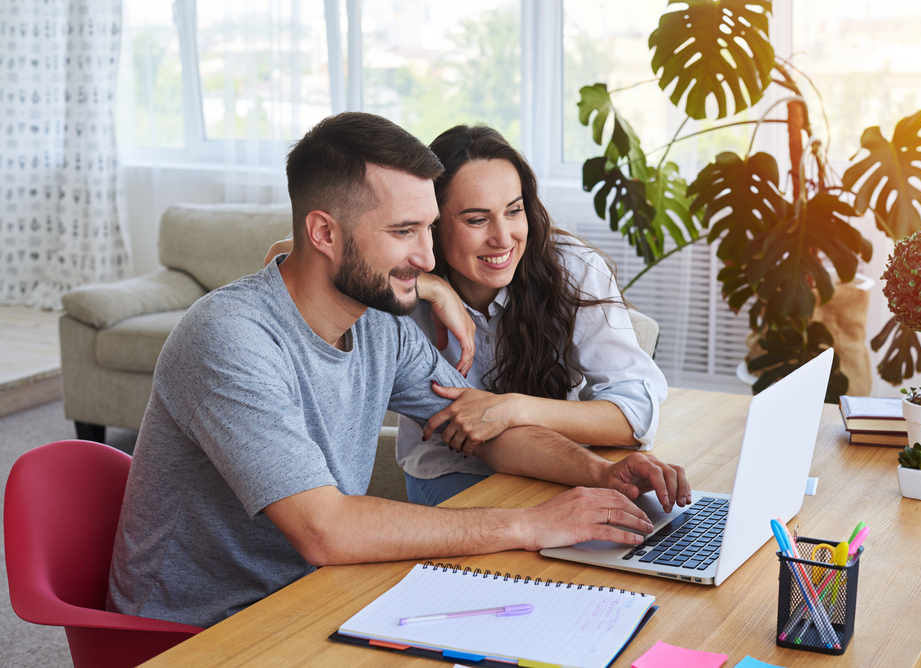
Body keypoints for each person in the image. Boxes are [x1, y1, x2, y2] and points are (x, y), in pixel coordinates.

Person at [107, 112, 690, 629]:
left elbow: (483, 430)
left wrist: (597, 476)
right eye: (403, 232)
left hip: (320, 595)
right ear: (324, 233)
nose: (430, 258)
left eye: (428, 227)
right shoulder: (229, 338)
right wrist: (530, 524)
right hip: (207, 629)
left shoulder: (379, 323)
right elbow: (325, 529)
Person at [270, 125, 670, 506]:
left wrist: (513, 408)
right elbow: (287, 258)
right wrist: (432, 286)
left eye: (514, 211)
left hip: (553, 461)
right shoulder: (395, 281)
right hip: (450, 471)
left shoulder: (572, 269)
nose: (502, 237)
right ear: (431, 221)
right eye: (476, 220)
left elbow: (636, 414)